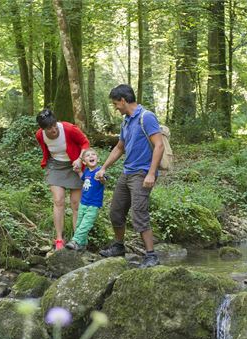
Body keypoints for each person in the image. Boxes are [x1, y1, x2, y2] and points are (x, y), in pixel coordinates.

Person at [95, 84, 164, 268]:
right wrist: (103, 168)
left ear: (123, 100)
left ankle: (151, 255)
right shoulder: (126, 120)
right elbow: (119, 147)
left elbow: (159, 145)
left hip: (142, 173)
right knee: (116, 211)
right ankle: (119, 247)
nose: (115, 107)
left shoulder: (146, 117)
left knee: (139, 213)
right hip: (127, 173)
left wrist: (151, 173)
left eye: (115, 103)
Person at [35, 109, 90, 250]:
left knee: (76, 203)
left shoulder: (68, 129)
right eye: (49, 128)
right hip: (55, 166)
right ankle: (59, 239)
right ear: (42, 129)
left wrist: (80, 159)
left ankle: (78, 238)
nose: (53, 129)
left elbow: (85, 143)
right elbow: (45, 150)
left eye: (54, 125)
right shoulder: (40, 135)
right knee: (58, 200)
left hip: (74, 165)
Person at [65, 148, 105, 251]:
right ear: (84, 162)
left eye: (93, 155)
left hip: (93, 205)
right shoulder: (87, 171)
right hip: (83, 203)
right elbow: (83, 179)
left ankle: (75, 241)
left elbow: (104, 180)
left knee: (85, 225)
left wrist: (101, 178)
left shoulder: (99, 171)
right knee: (79, 224)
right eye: (88, 156)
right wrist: (79, 171)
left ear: (98, 159)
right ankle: (82, 245)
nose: (91, 156)